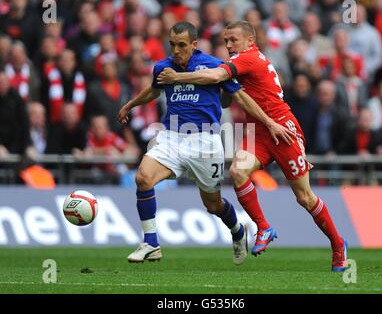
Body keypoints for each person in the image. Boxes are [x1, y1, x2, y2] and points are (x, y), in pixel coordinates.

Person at [157, 20, 348, 272]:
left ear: (250, 41)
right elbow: (226, 100)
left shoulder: (249, 58)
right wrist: (220, 87)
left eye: (233, 39)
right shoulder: (239, 65)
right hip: (258, 131)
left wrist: (177, 77)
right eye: (225, 40)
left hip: (282, 129)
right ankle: (264, 228)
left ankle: (338, 244)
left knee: (304, 197)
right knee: (237, 172)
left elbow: (215, 75)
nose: (228, 44)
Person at [118, 22, 293, 265]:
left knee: (213, 205)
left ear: (194, 45)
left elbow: (240, 96)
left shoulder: (213, 66)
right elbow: (154, 90)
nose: (176, 50)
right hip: (171, 137)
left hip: (205, 142)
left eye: (181, 45)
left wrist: (269, 122)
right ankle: (151, 243)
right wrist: (130, 105)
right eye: (172, 45)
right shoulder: (163, 67)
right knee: (143, 178)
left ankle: (238, 231)